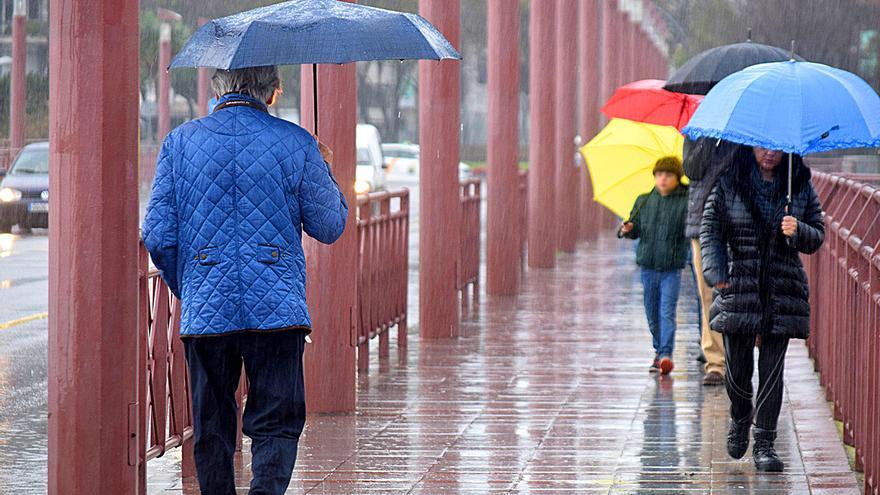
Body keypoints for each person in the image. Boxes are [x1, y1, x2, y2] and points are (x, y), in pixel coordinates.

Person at [142, 65, 348, 494]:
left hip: (207, 314)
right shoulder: (296, 143)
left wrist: (194, 285)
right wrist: (322, 166)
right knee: (276, 420)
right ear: (271, 91)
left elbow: (159, 234)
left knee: (212, 424)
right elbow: (329, 224)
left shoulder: (180, 143)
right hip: (277, 313)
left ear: (217, 88)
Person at [701, 146, 824, 472]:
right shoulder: (729, 181)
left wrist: (798, 230)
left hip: (780, 286)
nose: (769, 154)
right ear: (749, 147)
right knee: (737, 370)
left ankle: (765, 443)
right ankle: (741, 417)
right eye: (761, 147)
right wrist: (716, 272)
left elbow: (817, 235)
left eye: (776, 149)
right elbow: (710, 229)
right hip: (739, 281)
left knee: (772, 369)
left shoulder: (797, 184)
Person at [619, 156, 689, 375]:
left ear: (677, 178)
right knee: (651, 312)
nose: (663, 179)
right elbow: (634, 230)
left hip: (671, 268)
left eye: (668, 175)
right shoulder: (644, 200)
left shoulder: (686, 201)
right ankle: (659, 350)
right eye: (659, 175)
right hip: (648, 266)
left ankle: (666, 353)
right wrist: (627, 229)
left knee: (667, 311)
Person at [683, 137, 736, 386]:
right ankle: (715, 362)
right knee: (708, 295)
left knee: (737, 293)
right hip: (702, 222)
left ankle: (736, 358)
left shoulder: (742, 126)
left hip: (738, 218)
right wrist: (707, 138)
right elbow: (692, 170)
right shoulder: (695, 130)